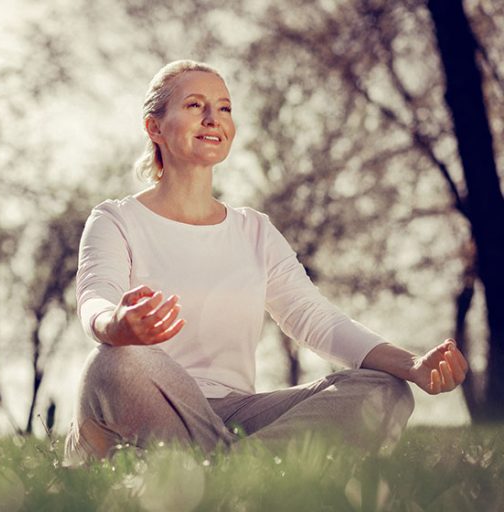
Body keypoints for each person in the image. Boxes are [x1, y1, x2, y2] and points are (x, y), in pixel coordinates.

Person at [64, 60, 468, 465]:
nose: (213, 119)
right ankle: (248, 477)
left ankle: (224, 476)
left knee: (386, 389)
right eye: (194, 106)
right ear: (154, 127)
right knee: (114, 360)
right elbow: (96, 298)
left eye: (224, 108)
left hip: (236, 418)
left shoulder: (253, 230)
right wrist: (115, 324)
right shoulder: (117, 219)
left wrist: (413, 365)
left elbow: (314, 318)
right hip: (149, 409)